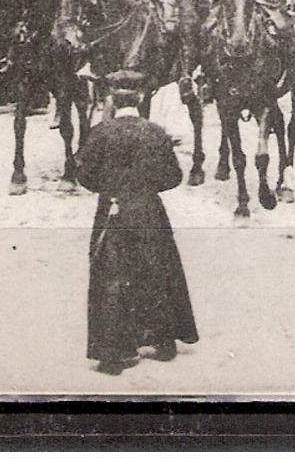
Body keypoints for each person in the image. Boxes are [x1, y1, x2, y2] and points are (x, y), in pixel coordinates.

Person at [76, 86, 199, 376]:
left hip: (113, 210)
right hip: (148, 211)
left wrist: (110, 188)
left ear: (112, 102)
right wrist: (144, 188)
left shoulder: (100, 132)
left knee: (112, 277)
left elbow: (83, 175)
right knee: (157, 270)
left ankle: (113, 353)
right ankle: (163, 342)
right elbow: (173, 177)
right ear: (141, 100)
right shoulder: (155, 132)